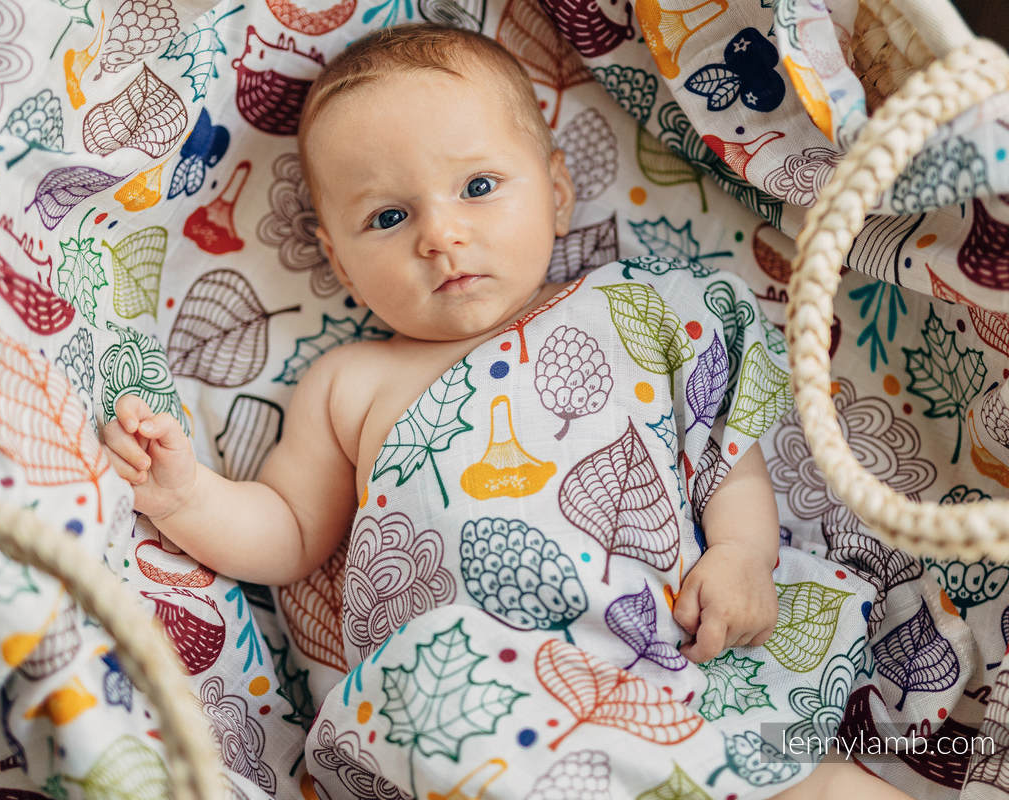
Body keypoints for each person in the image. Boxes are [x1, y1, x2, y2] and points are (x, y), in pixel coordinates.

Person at [104, 24, 910, 799]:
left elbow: (725, 447)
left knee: (830, 786)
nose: (442, 236)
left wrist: (739, 554)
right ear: (339, 262)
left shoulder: (639, 307)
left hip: (667, 656)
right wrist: (185, 496)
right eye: (389, 217)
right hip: (484, 700)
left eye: (479, 188)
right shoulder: (350, 383)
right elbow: (285, 529)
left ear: (557, 192)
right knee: (421, 694)